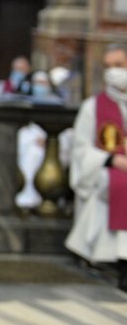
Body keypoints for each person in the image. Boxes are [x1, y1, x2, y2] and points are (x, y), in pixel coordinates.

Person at [67, 44, 127, 290]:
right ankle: (116, 262)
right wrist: (111, 160)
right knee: (114, 182)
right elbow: (80, 150)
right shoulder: (92, 108)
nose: (113, 72)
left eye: (119, 66)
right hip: (109, 168)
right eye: (108, 67)